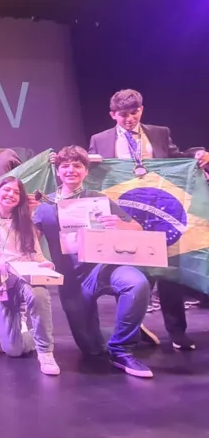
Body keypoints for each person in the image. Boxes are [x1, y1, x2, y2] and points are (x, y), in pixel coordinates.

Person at [88, 88, 208, 351]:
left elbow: (177, 161)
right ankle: (132, 328)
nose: (129, 119)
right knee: (130, 270)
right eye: (123, 115)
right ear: (112, 115)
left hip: (161, 211)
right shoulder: (99, 140)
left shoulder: (159, 133)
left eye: (134, 113)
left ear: (141, 110)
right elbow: (90, 174)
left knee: (168, 272)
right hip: (125, 213)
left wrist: (198, 158)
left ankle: (177, 332)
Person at [33, 146, 153, 378]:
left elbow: (136, 228)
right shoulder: (45, 207)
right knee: (92, 349)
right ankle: (129, 326)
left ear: (86, 171)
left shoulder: (99, 199)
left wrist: (118, 224)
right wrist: (39, 260)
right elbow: (29, 242)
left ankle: (122, 349)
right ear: (58, 172)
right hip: (72, 281)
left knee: (136, 283)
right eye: (65, 166)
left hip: (105, 267)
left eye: (77, 166)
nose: (71, 170)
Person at [0, 177, 61, 375]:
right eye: (6, 190)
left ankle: (45, 351)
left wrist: (45, 264)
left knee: (38, 294)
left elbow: (36, 254)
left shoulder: (25, 223)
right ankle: (30, 335)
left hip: (23, 276)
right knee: (12, 350)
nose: (10, 194)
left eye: (16, 192)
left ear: (20, 198)